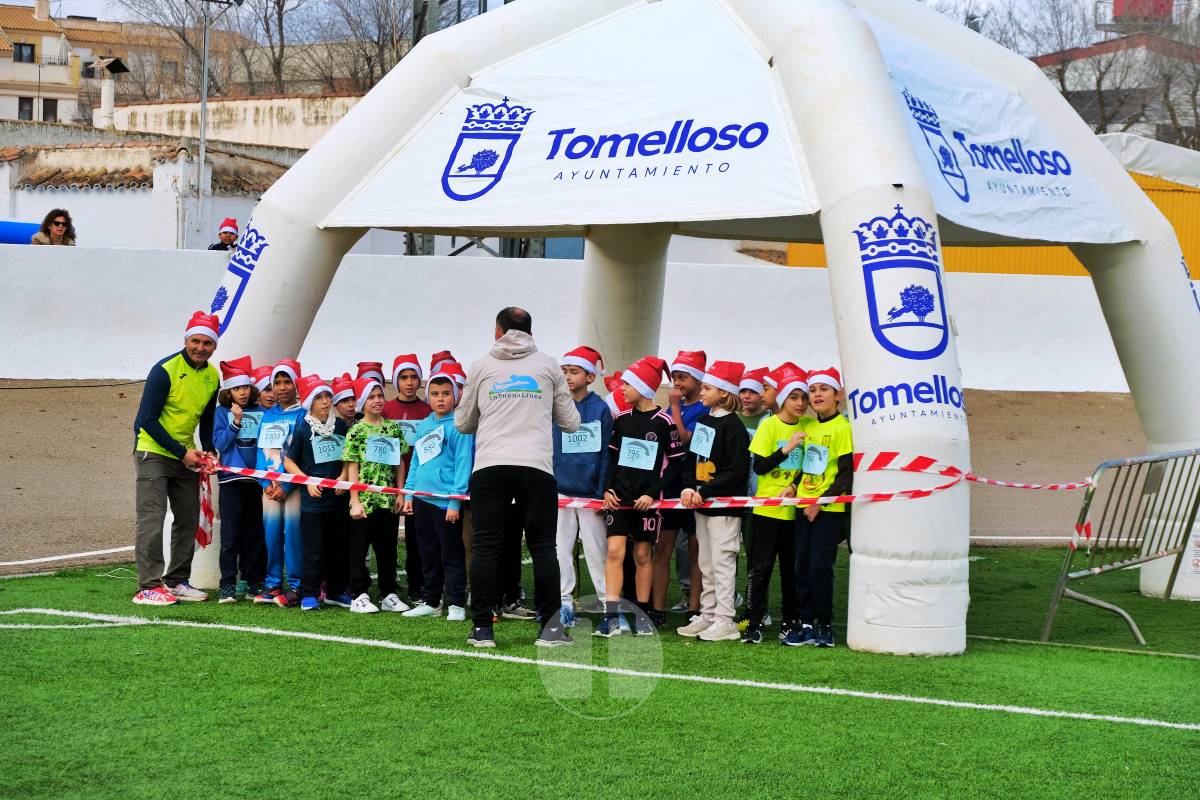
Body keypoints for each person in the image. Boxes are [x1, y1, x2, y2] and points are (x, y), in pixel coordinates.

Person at [455, 306, 581, 649]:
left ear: (498, 332)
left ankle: (482, 628)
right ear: (530, 332)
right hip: (536, 467)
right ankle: (551, 630)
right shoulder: (549, 366)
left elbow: (462, 422)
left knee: (485, 546)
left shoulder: (481, 365)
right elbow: (571, 422)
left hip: (490, 465)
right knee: (543, 547)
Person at [130, 311, 220, 606]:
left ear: (214, 347)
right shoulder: (164, 370)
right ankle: (148, 586)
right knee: (152, 519)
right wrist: (182, 453)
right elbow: (146, 421)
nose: (200, 347)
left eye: (207, 343)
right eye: (195, 341)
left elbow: (207, 418)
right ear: (186, 340)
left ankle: (177, 580)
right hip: (153, 452)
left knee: (188, 518)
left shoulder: (212, 376)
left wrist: (209, 449)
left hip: (186, 455)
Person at [597, 357, 684, 637]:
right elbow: (611, 459)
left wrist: (649, 494)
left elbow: (677, 465)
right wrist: (607, 489)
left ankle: (643, 616)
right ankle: (611, 616)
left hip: (647, 503)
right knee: (614, 553)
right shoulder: (621, 421)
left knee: (643, 553)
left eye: (627, 384)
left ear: (644, 387)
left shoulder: (664, 422)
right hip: (618, 501)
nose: (621, 388)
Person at [678, 361, 751, 642]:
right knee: (706, 563)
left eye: (707, 387)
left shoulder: (733, 426)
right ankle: (708, 614)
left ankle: (725, 620)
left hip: (723, 507)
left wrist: (705, 490)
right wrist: (687, 486)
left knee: (722, 562)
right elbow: (692, 459)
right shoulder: (705, 422)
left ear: (724, 393)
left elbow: (736, 470)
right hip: (701, 506)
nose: (702, 391)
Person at [782, 367, 853, 649]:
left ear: (837, 395)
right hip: (803, 507)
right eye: (813, 390)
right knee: (800, 566)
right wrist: (794, 485)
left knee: (819, 567)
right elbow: (806, 466)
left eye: (824, 389)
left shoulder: (843, 428)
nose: (817, 395)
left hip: (827, 511)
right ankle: (806, 622)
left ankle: (825, 623)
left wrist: (820, 503)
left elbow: (846, 474)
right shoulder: (808, 427)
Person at [743, 364, 810, 645]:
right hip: (766, 511)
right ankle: (753, 622)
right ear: (782, 398)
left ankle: (790, 622)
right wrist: (786, 449)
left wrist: (794, 485)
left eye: (804, 397)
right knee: (760, 570)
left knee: (791, 570)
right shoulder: (768, 425)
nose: (800, 403)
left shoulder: (810, 426)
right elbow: (758, 467)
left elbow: (812, 466)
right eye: (794, 397)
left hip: (795, 514)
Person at [403, 365, 474, 622]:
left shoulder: (460, 426)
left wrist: (455, 501)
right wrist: (409, 494)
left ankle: (455, 602)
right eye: (434, 393)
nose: (440, 398)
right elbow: (415, 463)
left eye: (446, 393)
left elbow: (463, 465)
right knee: (428, 553)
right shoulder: (424, 425)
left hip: (446, 504)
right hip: (422, 500)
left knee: (451, 554)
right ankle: (431, 601)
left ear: (455, 395)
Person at [552, 346, 613, 628]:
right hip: (561, 492)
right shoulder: (556, 405)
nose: (567, 377)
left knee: (596, 551)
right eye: (565, 371)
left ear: (590, 377)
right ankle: (564, 604)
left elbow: (604, 454)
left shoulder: (600, 409)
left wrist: (601, 492)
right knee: (560, 549)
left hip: (590, 495)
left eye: (574, 372)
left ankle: (607, 608)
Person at [284, 376, 352, 612]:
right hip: (312, 503)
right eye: (318, 397)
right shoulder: (303, 429)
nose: (325, 401)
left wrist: (343, 476)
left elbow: (347, 457)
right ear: (309, 402)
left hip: (338, 500)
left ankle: (336, 591)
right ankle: (310, 593)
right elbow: (289, 461)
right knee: (313, 550)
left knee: (338, 548)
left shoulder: (341, 426)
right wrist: (307, 480)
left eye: (327, 396)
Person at [343, 376, 409, 614]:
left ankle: (388, 593)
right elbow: (352, 466)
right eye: (371, 397)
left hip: (387, 500)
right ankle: (359, 595)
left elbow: (399, 462)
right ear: (362, 401)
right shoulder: (357, 430)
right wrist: (354, 500)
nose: (377, 400)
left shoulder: (392, 428)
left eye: (380, 395)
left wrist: (400, 493)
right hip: (364, 502)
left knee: (387, 548)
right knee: (359, 549)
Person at [657, 349, 708, 618]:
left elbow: (684, 439)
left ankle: (694, 606)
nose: (677, 383)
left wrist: (675, 407)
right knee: (663, 546)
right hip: (671, 482)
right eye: (675, 377)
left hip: (693, 481)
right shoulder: (671, 407)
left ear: (699, 380)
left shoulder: (704, 408)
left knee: (694, 546)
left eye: (683, 377)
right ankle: (657, 607)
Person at [212, 356, 266, 604]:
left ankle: (255, 582)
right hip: (231, 481)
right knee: (231, 535)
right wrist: (235, 423)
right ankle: (227, 585)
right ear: (228, 391)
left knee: (255, 534)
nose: (243, 392)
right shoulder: (221, 413)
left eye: (245, 387)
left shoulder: (262, 412)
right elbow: (220, 444)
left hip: (256, 482)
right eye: (237, 388)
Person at [253, 359, 306, 608]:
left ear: (296, 384)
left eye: (287, 382)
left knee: (294, 534)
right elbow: (259, 452)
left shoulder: (304, 416)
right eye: (277, 382)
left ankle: (297, 583)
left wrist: (287, 486)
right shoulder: (266, 416)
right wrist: (266, 483)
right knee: (271, 533)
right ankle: (272, 582)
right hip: (270, 488)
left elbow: (303, 455)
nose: (282, 387)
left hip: (292, 487)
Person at [382, 353, 430, 606]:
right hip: (390, 482)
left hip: (419, 483)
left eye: (413, 377)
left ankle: (417, 587)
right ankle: (387, 587)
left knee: (416, 538)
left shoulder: (428, 410)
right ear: (395, 380)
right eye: (403, 377)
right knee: (387, 538)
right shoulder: (386, 409)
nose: (409, 382)